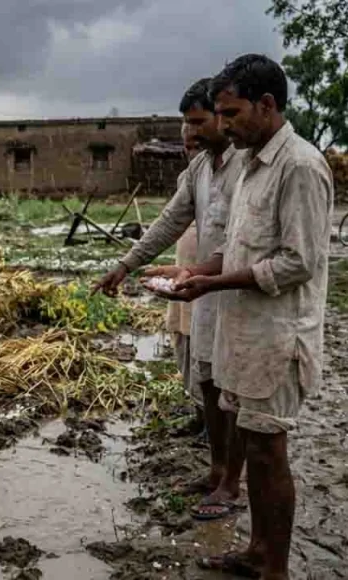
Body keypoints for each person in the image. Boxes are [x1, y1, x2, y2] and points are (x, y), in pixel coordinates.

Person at [151, 54, 334, 580]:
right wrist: (193, 272)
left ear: (267, 104)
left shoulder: (299, 167)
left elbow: (298, 262)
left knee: (270, 452)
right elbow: (236, 249)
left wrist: (213, 283)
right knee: (255, 444)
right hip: (245, 331)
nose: (223, 125)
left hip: (277, 338)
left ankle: (274, 567)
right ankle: (257, 550)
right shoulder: (252, 166)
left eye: (231, 113)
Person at [94, 77, 247, 520]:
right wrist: (125, 265)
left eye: (198, 122)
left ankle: (232, 483)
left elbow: (246, 244)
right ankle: (216, 470)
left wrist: (195, 272)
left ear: (220, 117)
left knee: (234, 391)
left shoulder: (247, 167)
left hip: (240, 293)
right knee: (208, 382)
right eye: (186, 123)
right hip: (203, 293)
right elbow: (168, 221)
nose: (189, 132)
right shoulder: (199, 170)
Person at [167, 123, 203, 431]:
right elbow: (169, 223)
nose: (193, 153)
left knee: (205, 353)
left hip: (207, 280)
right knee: (183, 341)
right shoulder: (186, 179)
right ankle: (199, 413)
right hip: (183, 275)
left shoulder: (229, 179)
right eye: (189, 147)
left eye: (198, 146)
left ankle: (212, 422)